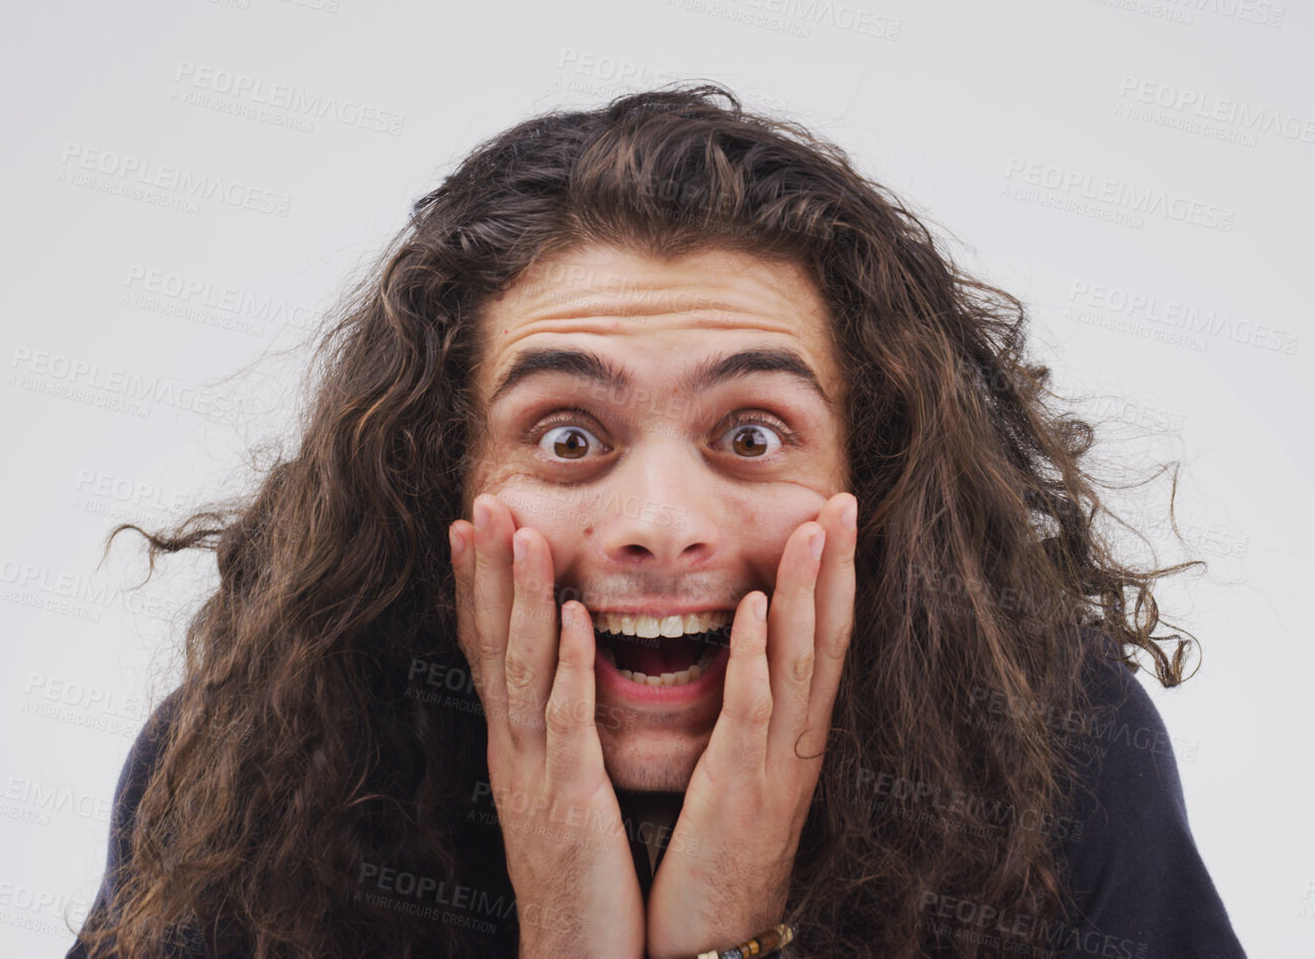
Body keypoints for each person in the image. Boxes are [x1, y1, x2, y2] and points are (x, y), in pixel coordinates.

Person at [65, 83, 1246, 959]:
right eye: (569, 438)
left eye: (753, 434)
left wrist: (723, 939)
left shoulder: (1055, 753)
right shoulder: (261, 770)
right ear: (444, 486)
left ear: (874, 482)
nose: (661, 524)